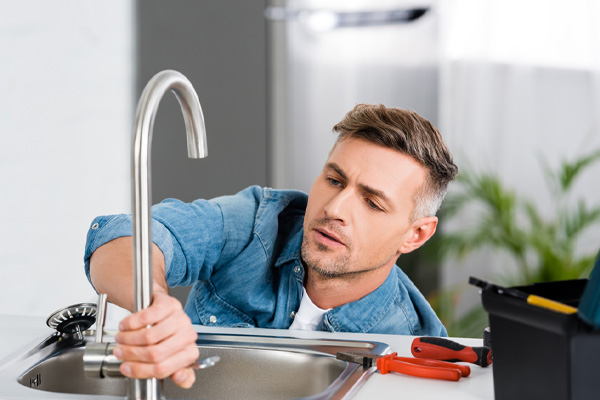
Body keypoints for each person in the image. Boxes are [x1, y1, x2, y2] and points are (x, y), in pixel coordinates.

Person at [84, 104, 458, 389]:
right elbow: (124, 235)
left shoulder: (415, 343)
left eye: (373, 203)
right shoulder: (258, 222)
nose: (334, 208)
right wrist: (153, 305)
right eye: (333, 180)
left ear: (416, 235)